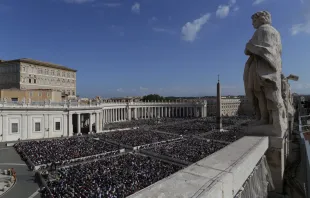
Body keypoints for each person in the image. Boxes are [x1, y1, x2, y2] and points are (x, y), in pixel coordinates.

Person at [243, 11, 287, 134]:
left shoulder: (262, 30)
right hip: (269, 66)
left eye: (254, 21)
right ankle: (270, 120)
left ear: (261, 19)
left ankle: (266, 119)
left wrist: (249, 46)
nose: (252, 24)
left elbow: (253, 49)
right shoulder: (276, 32)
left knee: (261, 93)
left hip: (262, 67)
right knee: (267, 94)